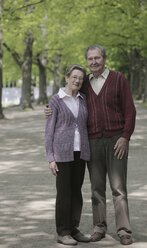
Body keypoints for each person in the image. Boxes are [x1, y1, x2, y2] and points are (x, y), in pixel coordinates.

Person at [45, 45, 136, 245]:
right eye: (90, 59)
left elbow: (130, 110)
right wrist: (49, 109)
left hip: (115, 141)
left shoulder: (118, 78)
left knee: (118, 188)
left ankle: (124, 231)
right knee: (96, 188)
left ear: (104, 58)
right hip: (92, 142)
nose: (94, 62)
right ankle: (99, 228)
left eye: (97, 58)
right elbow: (65, 98)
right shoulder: (84, 83)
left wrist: (125, 137)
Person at [45, 64, 91, 246]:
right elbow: (49, 131)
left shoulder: (83, 99)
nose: (77, 80)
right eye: (74, 77)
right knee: (64, 193)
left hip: (81, 152)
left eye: (80, 78)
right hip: (62, 153)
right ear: (67, 77)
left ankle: (73, 228)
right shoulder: (56, 100)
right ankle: (63, 231)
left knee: (76, 192)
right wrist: (51, 158)